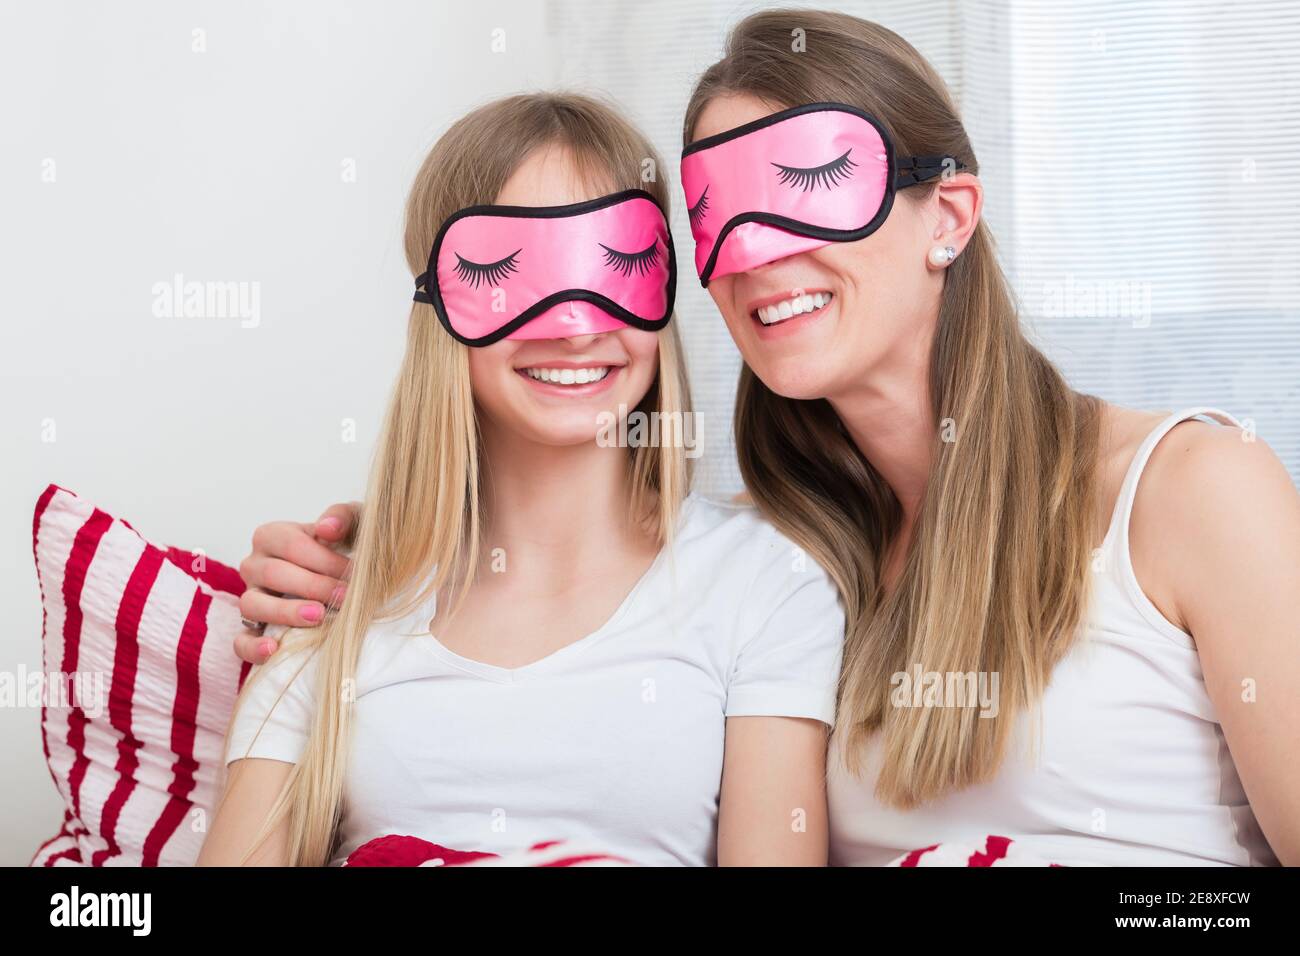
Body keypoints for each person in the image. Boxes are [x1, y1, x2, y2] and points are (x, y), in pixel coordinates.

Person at [238, 11, 1300, 867]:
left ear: (950, 215)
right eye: (717, 213)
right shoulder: (797, 559)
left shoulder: (1191, 490)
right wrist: (360, 553)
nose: (755, 250)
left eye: (808, 186)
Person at [199, 92, 843, 867]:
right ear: (436, 303)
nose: (575, 323)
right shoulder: (334, 595)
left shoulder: (765, 580)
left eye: (622, 262)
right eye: (506, 269)